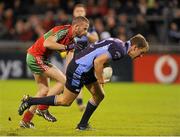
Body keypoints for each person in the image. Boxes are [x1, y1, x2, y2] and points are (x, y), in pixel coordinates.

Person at [18, 34, 149, 130]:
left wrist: (101, 73)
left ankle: (82, 125)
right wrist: (101, 79)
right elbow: (98, 62)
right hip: (79, 69)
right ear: (135, 47)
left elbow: (100, 56)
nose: (140, 56)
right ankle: (30, 101)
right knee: (65, 101)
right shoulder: (120, 50)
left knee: (99, 95)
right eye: (141, 52)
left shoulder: (118, 42)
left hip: (85, 68)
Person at [19, 16, 89, 128]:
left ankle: (26, 121)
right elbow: (47, 43)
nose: (86, 32)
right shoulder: (63, 31)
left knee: (44, 90)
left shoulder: (73, 40)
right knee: (64, 82)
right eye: (85, 28)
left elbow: (69, 60)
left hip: (37, 57)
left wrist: (71, 72)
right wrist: (67, 47)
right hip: (36, 57)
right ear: (76, 27)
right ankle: (42, 108)